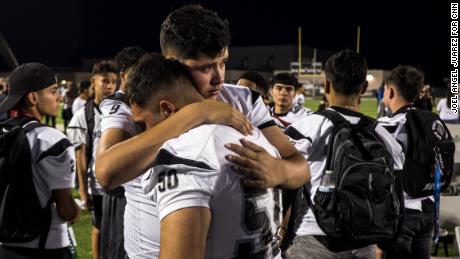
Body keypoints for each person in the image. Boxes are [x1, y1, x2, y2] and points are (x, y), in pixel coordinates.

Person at [96, 5, 310, 197]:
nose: (219, 78)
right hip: (150, 238)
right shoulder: (139, 100)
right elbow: (106, 173)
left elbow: (300, 166)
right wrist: (197, 113)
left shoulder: (244, 99)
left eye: (223, 63)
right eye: (205, 67)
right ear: (173, 63)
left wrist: (279, 171)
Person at [128, 53, 280, 259]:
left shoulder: (183, 155)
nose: (144, 133)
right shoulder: (255, 134)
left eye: (143, 123)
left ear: (166, 109)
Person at [282, 50, 404, 259]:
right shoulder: (379, 131)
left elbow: (281, 173)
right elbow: (399, 165)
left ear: (326, 85)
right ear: (364, 88)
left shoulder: (309, 126)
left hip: (316, 235)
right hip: (364, 237)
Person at [0, 63, 80, 259]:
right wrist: (76, 211)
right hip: (45, 247)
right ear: (33, 97)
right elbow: (66, 211)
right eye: (53, 92)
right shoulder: (52, 140)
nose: (58, 97)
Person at [96, 46, 149, 259]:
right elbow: (107, 160)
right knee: (120, 248)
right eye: (140, 72)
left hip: (138, 190)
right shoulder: (116, 104)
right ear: (124, 74)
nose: (145, 79)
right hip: (121, 194)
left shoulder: (139, 101)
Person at [378, 66, 435, 259]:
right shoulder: (430, 120)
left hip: (403, 212)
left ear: (390, 91)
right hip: (428, 208)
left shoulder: (386, 124)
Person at [67, 60, 117, 259]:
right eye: (105, 81)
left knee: (119, 229)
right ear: (93, 82)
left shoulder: (121, 111)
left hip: (120, 182)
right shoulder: (82, 116)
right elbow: (81, 159)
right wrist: (82, 190)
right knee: (99, 228)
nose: (110, 86)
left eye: (113, 81)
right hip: (97, 184)